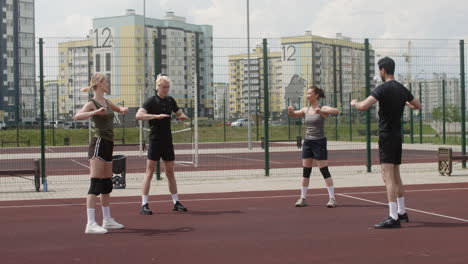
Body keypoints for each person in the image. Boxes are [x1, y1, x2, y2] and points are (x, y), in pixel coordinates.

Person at [351, 57, 421, 229]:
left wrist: (354, 103)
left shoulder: (381, 88)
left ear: (382, 70)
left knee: (388, 176)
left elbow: (363, 106)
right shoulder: (402, 89)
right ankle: (402, 212)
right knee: (396, 174)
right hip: (397, 136)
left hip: (387, 136)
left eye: (379, 70)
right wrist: (407, 103)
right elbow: (418, 105)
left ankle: (393, 216)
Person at [74, 72, 129, 234]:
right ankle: (90, 223)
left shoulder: (106, 101)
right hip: (98, 143)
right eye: (106, 82)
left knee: (106, 184)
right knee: (96, 183)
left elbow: (119, 109)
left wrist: (124, 109)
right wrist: (95, 113)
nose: (108, 84)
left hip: (108, 144)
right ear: (99, 84)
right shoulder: (92, 103)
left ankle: (107, 220)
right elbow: (77, 116)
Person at [136, 74, 189, 215]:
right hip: (155, 140)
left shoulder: (170, 100)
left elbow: (178, 112)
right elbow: (139, 115)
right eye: (164, 87)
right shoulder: (151, 101)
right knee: (150, 172)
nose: (166, 89)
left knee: (170, 171)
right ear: (157, 86)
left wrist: (182, 116)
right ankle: (144, 204)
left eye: (168, 87)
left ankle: (176, 202)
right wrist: (156, 116)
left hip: (167, 140)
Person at [288, 86, 339, 208]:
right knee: (306, 171)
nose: (307, 96)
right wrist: (290, 111)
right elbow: (294, 114)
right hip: (308, 143)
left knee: (324, 170)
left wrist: (321, 112)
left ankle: (332, 198)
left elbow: (336, 111)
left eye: (310, 93)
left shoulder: (323, 108)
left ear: (316, 95)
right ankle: (303, 198)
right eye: (307, 94)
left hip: (319, 142)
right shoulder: (306, 110)